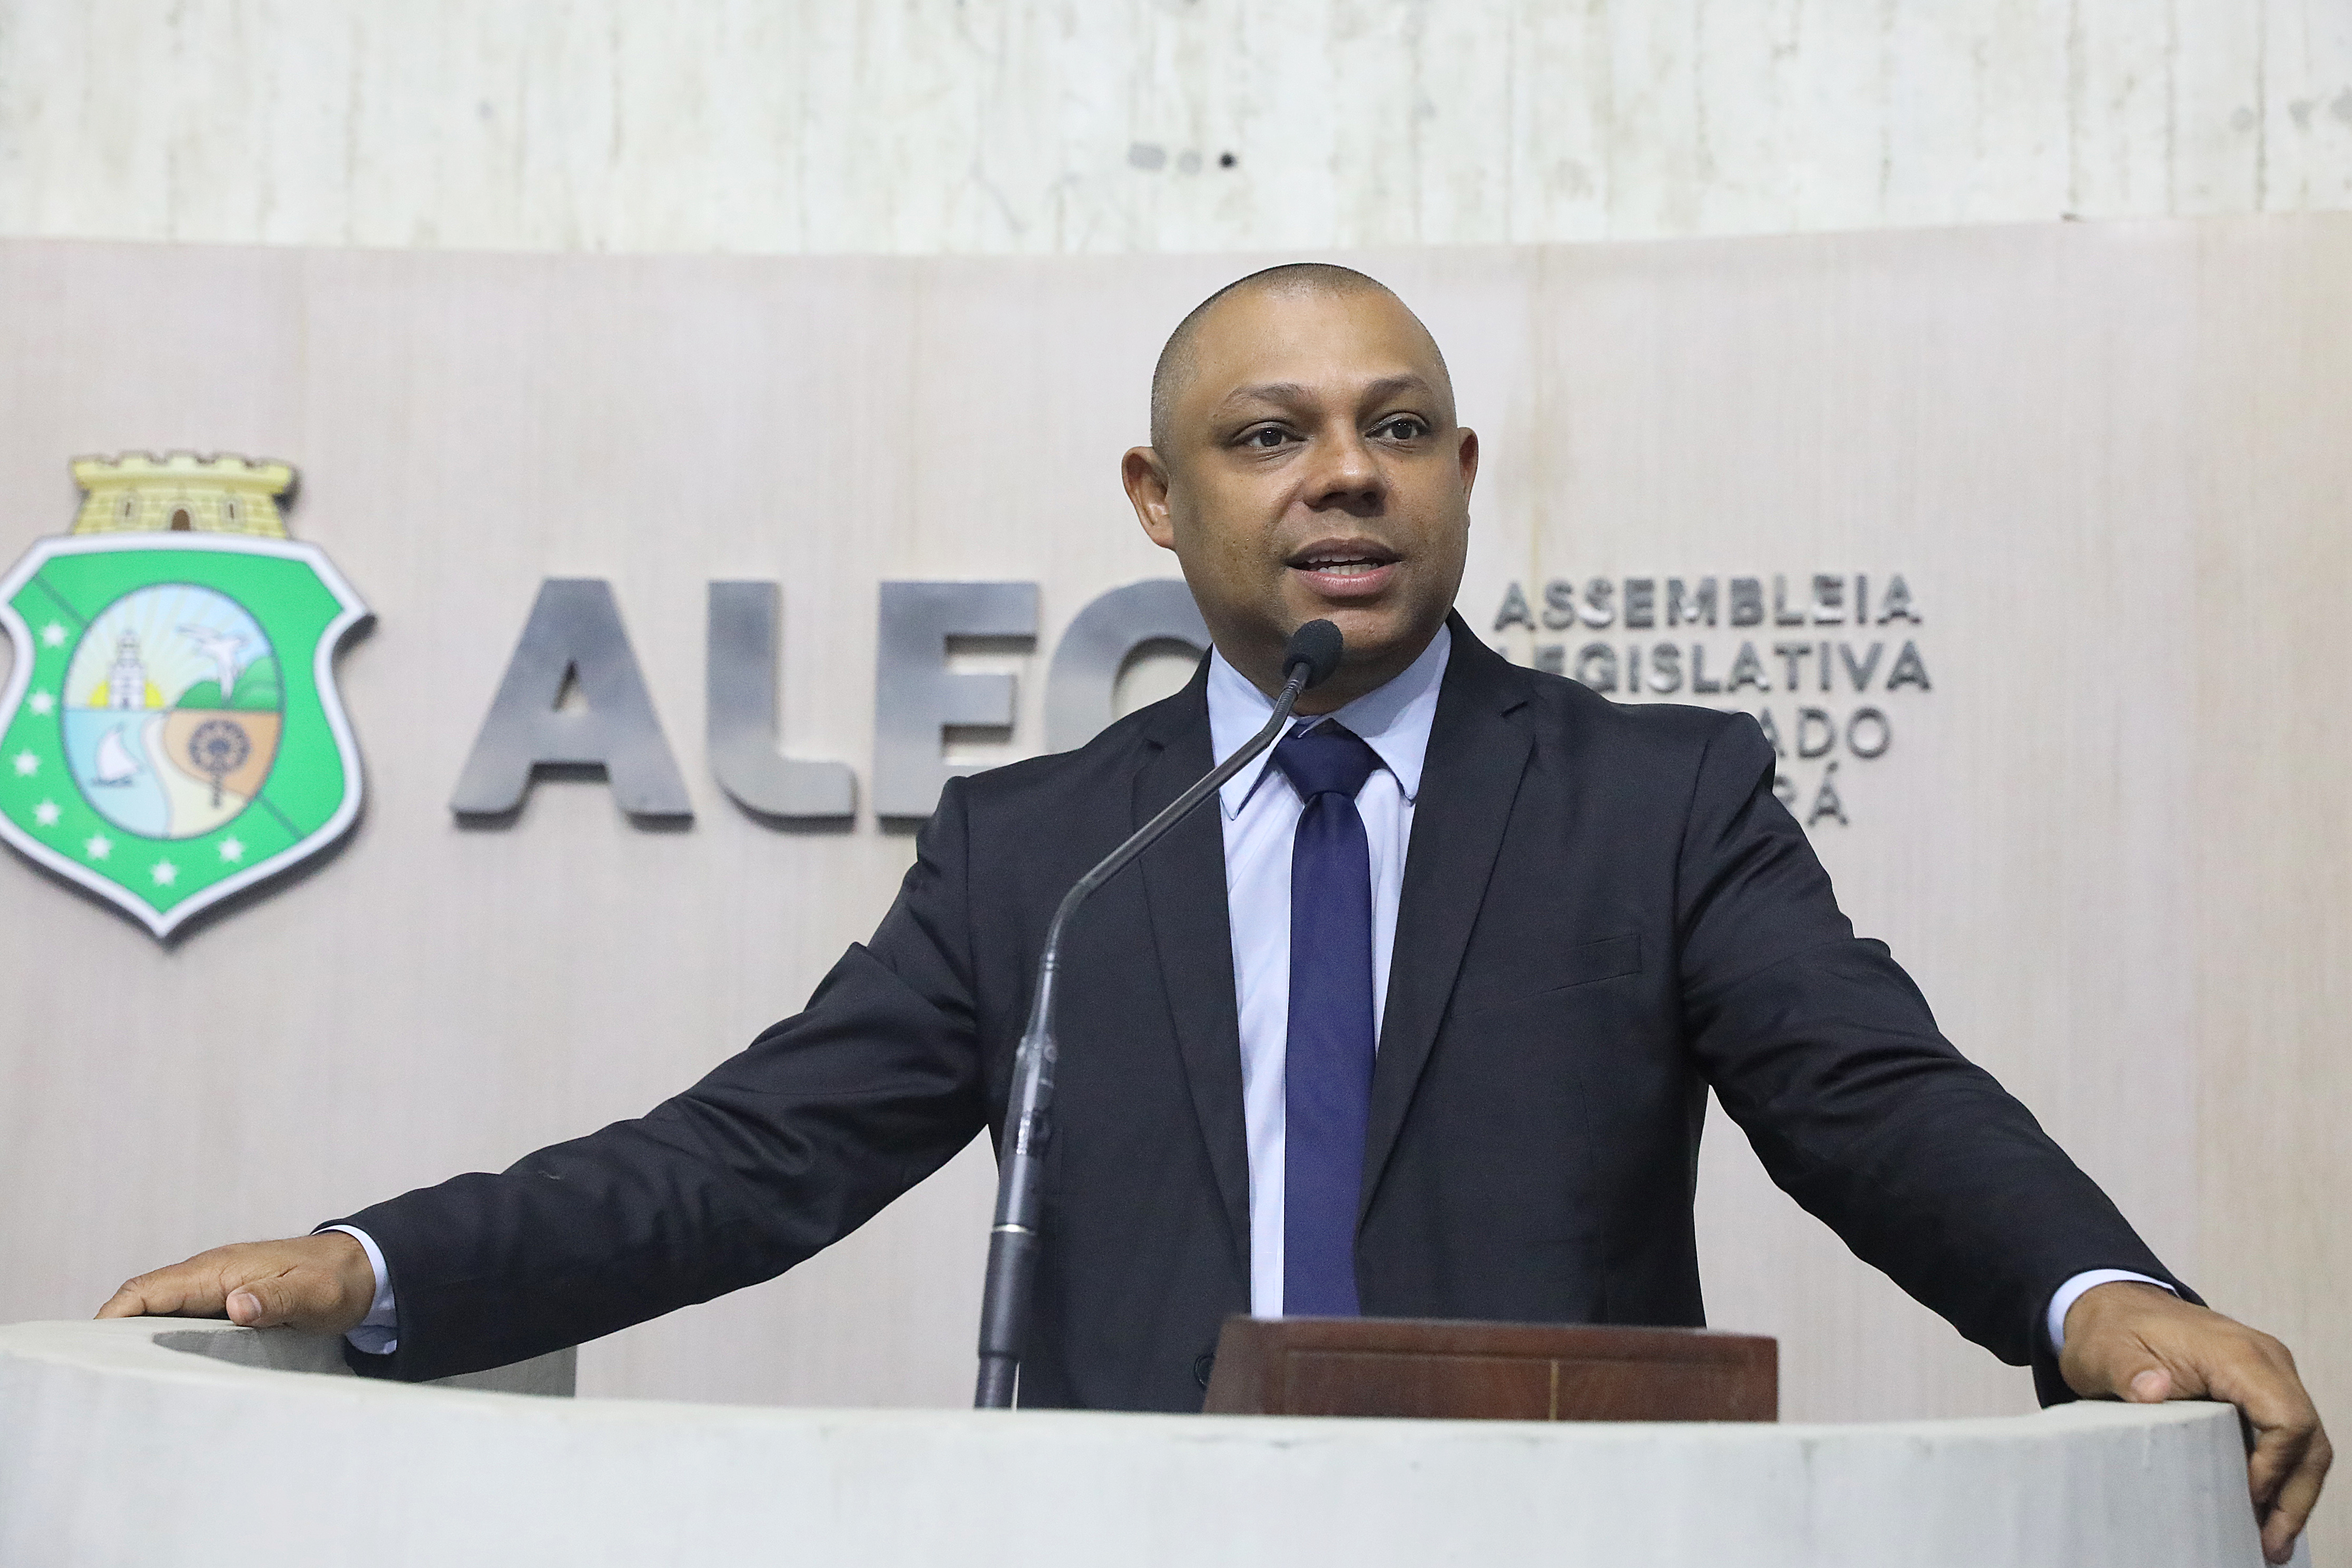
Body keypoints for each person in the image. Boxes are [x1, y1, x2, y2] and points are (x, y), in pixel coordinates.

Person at [102, 263, 2328, 1561]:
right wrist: (377, 1263)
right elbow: (751, 1157)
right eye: (1270, 436)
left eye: (1399, 427)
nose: (1344, 469)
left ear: (1462, 477)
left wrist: (2101, 1299)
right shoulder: (1047, 855)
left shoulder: (1658, 801)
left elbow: (1869, 1094)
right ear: (1160, 501)